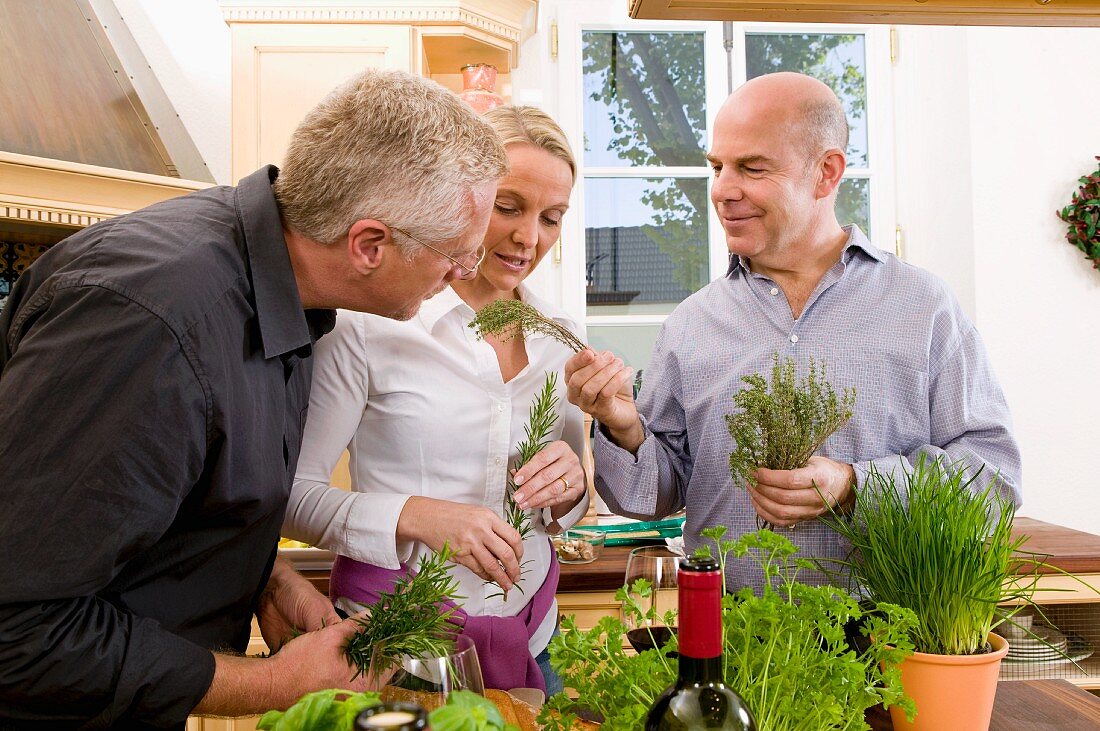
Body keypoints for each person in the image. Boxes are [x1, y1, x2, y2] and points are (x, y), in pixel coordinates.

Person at [0, 68, 507, 728]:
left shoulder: (284, 288)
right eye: (456, 256)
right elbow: (15, 625)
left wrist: (267, 578)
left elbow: (159, 508)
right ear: (369, 245)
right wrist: (276, 680)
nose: (466, 274)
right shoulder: (153, 327)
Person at [564, 72, 1022, 590]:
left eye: (752, 168)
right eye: (717, 167)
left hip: (890, 641)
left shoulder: (923, 307)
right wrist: (625, 428)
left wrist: (855, 487)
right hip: (731, 643)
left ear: (826, 173)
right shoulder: (692, 323)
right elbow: (654, 496)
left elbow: (993, 482)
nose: (722, 190)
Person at [284, 105, 586, 696]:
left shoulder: (560, 338)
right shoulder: (368, 324)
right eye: (508, 207)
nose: (530, 238)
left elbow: (566, 508)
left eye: (552, 218)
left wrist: (571, 488)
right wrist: (417, 516)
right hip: (396, 650)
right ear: (464, 199)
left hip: (531, 642)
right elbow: (292, 497)